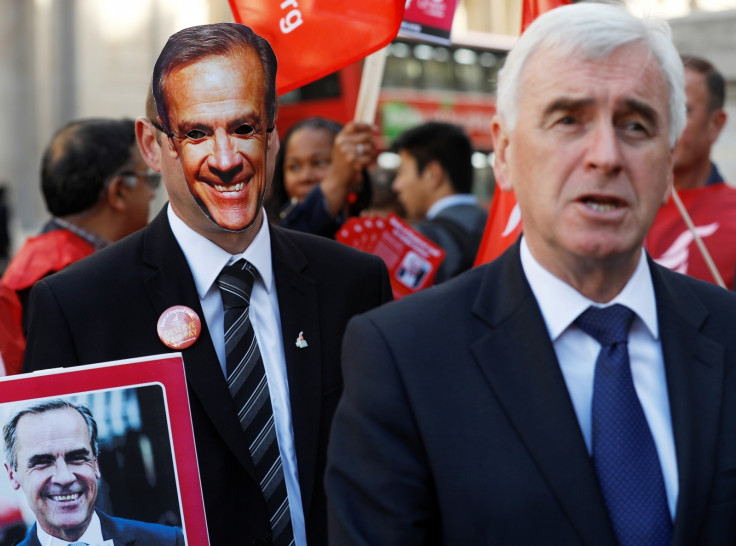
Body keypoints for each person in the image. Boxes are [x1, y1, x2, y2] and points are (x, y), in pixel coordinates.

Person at [325, 3, 736, 545]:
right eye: (568, 120)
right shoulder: (402, 357)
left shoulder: (728, 334)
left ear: (667, 166)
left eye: (636, 125)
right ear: (504, 152)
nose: (606, 156)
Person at [24, 22, 392, 546]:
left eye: (243, 128)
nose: (225, 161)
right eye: (196, 134)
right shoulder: (77, 308)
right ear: (152, 146)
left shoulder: (353, 283)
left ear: (272, 133)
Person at [2, 118, 157, 332]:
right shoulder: (60, 274)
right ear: (119, 191)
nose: (152, 193)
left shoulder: (51, 258)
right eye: (149, 179)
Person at [3, 399, 183, 545]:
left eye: (76, 458)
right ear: (12, 474)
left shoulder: (167, 541)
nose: (65, 478)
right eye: (42, 462)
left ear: (95, 464)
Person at [645, 54, 736, 289]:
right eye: (656, 110)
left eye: (682, 111)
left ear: (715, 125)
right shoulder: (617, 205)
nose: (666, 125)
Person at [391, 121, 487, 283]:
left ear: (432, 174)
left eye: (402, 172)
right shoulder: (499, 230)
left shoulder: (418, 240)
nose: (396, 185)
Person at [266, 116, 374, 238]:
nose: (305, 177)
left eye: (319, 163)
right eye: (294, 167)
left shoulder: (375, 234)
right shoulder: (270, 238)